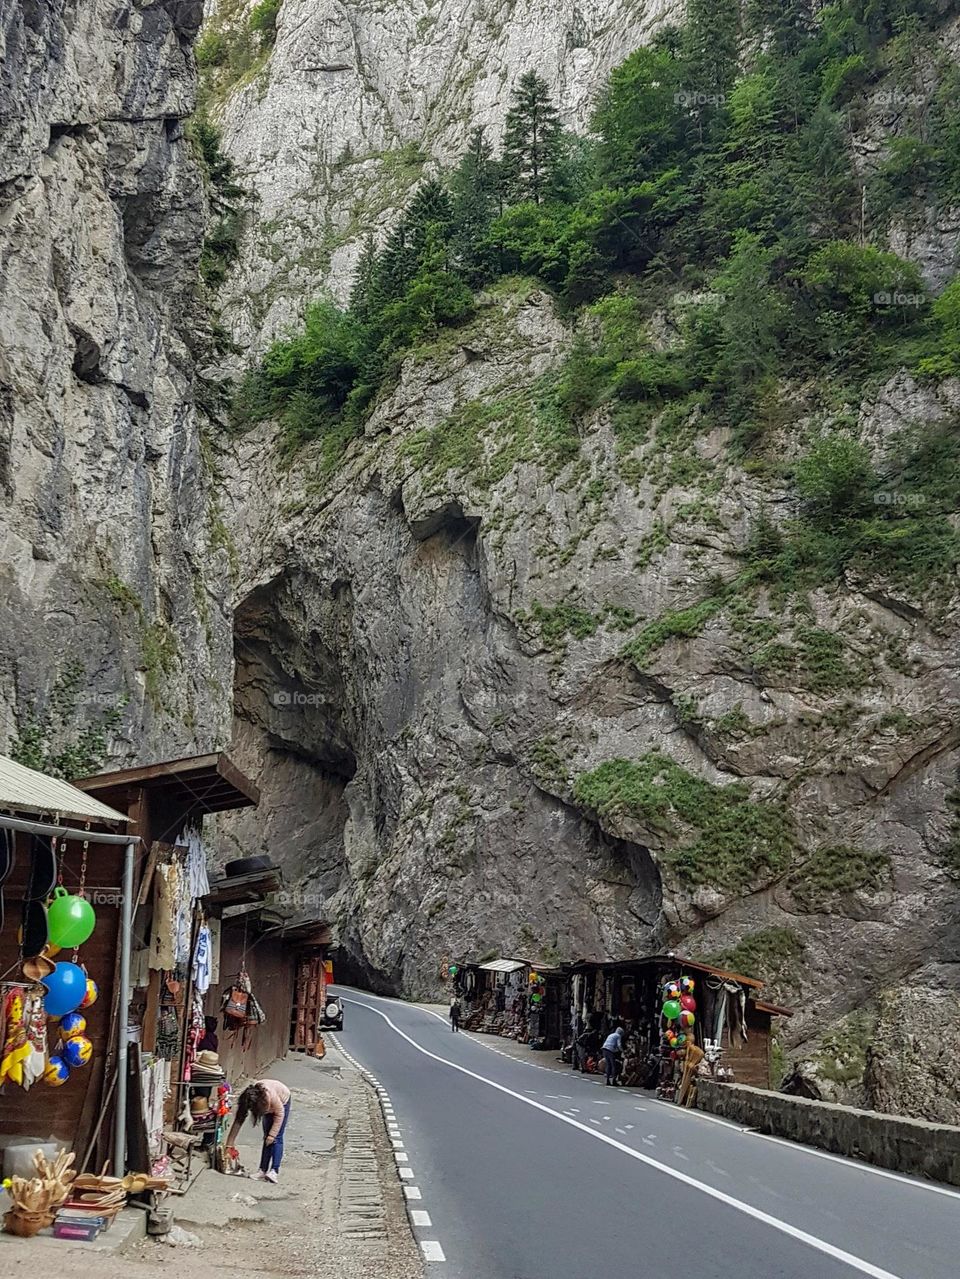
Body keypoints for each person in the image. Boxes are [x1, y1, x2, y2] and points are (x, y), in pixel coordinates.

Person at [225, 1079, 292, 1182]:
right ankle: (262, 1170)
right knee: (266, 1137)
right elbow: (239, 1120)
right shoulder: (249, 1098)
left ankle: (274, 1171)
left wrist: (272, 1135)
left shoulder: (271, 1097)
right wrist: (229, 1145)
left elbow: (280, 1114)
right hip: (268, 1105)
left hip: (283, 1102)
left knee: (276, 1137)